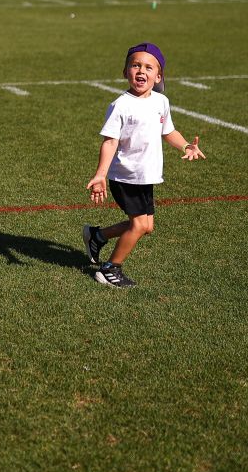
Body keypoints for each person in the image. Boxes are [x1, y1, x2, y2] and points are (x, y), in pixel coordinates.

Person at [81, 43, 205, 288]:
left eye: (148, 67)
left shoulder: (161, 101)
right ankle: (110, 268)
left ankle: (97, 236)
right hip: (125, 177)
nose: (141, 71)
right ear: (125, 71)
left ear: (158, 76)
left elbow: (168, 131)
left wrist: (185, 146)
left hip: (146, 176)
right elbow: (110, 142)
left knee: (146, 227)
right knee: (138, 225)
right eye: (135, 65)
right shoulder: (121, 105)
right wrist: (100, 175)